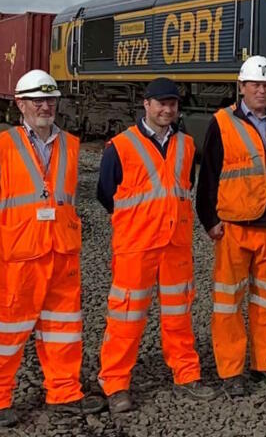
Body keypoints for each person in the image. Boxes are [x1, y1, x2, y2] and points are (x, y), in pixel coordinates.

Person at [0, 70, 104, 427]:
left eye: (50, 100)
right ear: (20, 104)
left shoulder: (71, 146)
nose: (44, 106)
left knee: (63, 330)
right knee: (5, 334)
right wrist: (14, 234)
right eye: (36, 101)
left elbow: (68, 200)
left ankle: (64, 392)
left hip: (61, 256)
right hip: (17, 260)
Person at [95, 78, 215, 412]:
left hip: (175, 246)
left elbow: (181, 188)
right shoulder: (119, 146)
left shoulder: (187, 145)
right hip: (136, 246)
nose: (167, 110)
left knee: (179, 316)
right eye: (161, 103)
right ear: (145, 104)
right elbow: (106, 194)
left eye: (173, 104)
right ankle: (115, 383)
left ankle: (186, 374)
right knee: (126, 318)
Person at [196, 55, 266, 397]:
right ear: (241, 87)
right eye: (255, 84)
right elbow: (208, 174)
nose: (261, 90)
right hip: (233, 227)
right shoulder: (221, 122)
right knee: (229, 303)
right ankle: (230, 370)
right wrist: (209, 220)